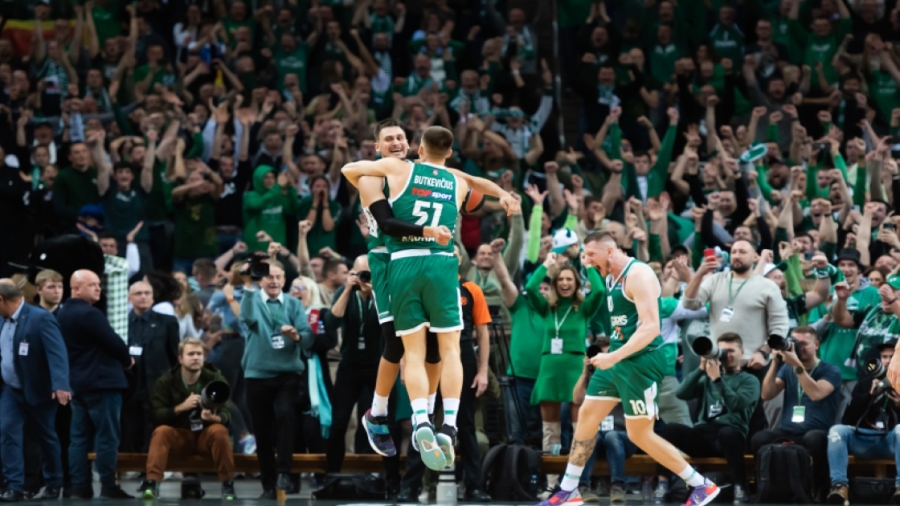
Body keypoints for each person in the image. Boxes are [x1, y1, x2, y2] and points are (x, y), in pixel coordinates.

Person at [342, 125, 518, 471]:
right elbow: (389, 224)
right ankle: (379, 413)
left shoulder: (415, 172)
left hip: (415, 261)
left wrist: (502, 193)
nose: (396, 142)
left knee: (433, 349)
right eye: (388, 139)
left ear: (414, 146)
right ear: (376, 146)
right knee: (397, 345)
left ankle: (429, 418)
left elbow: (468, 178)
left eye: (400, 138)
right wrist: (502, 195)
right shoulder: (374, 176)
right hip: (388, 260)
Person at [542, 231, 720, 506]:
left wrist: (614, 357)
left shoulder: (639, 274)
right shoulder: (612, 275)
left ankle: (701, 485)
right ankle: (569, 490)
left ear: (610, 251)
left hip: (642, 362)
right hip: (619, 357)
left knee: (640, 434)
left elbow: (651, 328)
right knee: (587, 417)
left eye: (591, 254)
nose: (586, 261)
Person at [527, 251, 605, 497]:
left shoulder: (583, 307)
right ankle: (551, 483)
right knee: (551, 430)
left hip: (574, 368)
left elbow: (601, 291)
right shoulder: (547, 308)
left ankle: (573, 484)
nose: (564, 283)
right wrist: (546, 265)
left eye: (569, 279)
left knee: (577, 428)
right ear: (554, 284)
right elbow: (530, 287)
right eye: (560, 280)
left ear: (576, 283)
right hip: (549, 368)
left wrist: (589, 266)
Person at [654, 333, 760, 503]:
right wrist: (700, 369)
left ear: (742, 351)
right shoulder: (707, 378)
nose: (727, 355)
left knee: (728, 433)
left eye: (731, 351)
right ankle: (662, 484)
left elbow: (736, 404)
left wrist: (718, 379)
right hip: (703, 436)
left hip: (730, 438)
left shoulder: (749, 380)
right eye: (722, 351)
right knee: (670, 429)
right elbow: (681, 393)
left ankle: (740, 487)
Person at [56, 270, 134, 499]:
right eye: (92, 285)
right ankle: (108, 485)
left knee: (78, 438)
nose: (98, 288)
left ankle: (80, 486)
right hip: (102, 384)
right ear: (76, 288)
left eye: (99, 284)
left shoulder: (63, 314)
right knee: (107, 437)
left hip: (77, 385)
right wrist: (127, 360)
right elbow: (115, 342)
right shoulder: (90, 314)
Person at [239, 258, 314, 497]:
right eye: (268, 276)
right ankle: (268, 485)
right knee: (262, 429)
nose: (273, 281)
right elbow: (248, 318)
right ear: (261, 279)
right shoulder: (251, 299)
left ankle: (285, 472)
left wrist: (296, 336)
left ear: (284, 280)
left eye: (278, 277)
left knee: (284, 415)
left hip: (287, 372)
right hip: (257, 373)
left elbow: (308, 337)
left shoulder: (293, 304)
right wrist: (247, 284)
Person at [0, 280, 71, 501]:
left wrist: (60, 383)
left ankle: (53, 484)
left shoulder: (40, 318)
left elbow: (57, 352)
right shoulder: (2, 321)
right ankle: (15, 486)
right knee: (7, 432)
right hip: (11, 389)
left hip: (39, 390)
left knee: (46, 437)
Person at [139, 338, 235, 500]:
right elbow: (155, 414)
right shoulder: (166, 381)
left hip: (205, 435)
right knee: (161, 431)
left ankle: (228, 485)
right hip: (179, 436)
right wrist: (180, 408)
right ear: (180, 359)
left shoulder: (215, 379)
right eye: (191, 354)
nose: (196, 357)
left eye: (199, 354)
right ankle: (152, 484)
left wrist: (214, 418)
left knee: (220, 431)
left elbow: (228, 411)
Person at [754, 326, 842, 501]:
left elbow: (816, 394)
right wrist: (774, 362)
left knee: (814, 439)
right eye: (794, 343)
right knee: (760, 438)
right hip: (788, 430)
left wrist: (797, 366)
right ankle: (767, 489)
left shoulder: (830, 370)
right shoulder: (787, 370)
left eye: (803, 343)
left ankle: (817, 490)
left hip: (818, 431)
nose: (798, 347)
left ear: (816, 344)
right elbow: (766, 394)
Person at [683, 240, 789, 377]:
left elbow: (779, 325)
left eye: (743, 252)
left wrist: (764, 353)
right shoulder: (715, 280)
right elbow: (689, 304)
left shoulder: (768, 286)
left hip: (752, 363)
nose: (737, 256)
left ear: (754, 257)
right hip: (717, 361)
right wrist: (700, 273)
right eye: (734, 252)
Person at [826, 340, 900, 505]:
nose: (887, 361)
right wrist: (869, 395)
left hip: (890, 442)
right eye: (884, 357)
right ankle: (839, 487)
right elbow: (848, 420)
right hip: (864, 439)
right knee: (837, 430)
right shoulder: (866, 382)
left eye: (892, 356)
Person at [121, 281, 180, 453]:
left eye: (147, 293)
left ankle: (151, 467)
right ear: (129, 298)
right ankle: (133, 463)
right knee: (131, 426)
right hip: (129, 385)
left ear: (153, 298)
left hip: (157, 383)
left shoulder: (167, 322)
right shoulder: (121, 322)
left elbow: (175, 354)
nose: (144, 296)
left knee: (154, 426)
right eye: (139, 293)